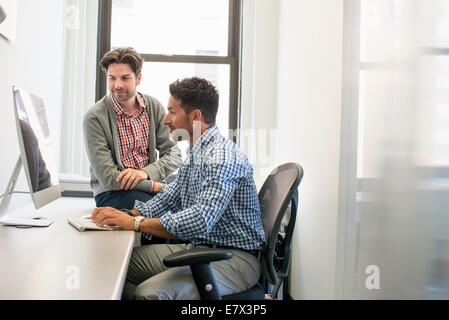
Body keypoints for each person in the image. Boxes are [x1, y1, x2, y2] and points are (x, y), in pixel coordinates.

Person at [91, 77, 267, 300]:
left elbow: (200, 220)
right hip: (201, 249)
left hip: (234, 260)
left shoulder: (221, 157)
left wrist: (136, 224)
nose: (166, 120)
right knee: (118, 264)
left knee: (148, 294)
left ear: (195, 117)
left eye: (172, 112)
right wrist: (129, 214)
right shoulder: (196, 152)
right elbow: (170, 198)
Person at [83, 47, 182, 245]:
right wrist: (158, 187)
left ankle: (177, 269)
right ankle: (153, 269)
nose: (117, 85)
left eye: (125, 78)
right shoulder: (94, 118)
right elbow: (109, 178)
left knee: (181, 212)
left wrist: (145, 172)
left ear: (138, 79)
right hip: (113, 192)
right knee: (159, 217)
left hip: (149, 186)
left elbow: (174, 155)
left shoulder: (153, 107)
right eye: (112, 78)